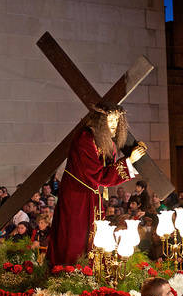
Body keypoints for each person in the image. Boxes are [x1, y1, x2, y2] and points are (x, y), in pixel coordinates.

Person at [47, 102, 146, 266]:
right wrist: (130, 161)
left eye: (117, 120)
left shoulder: (104, 141)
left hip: (91, 196)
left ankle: (91, 271)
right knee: (75, 239)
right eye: (110, 119)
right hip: (77, 198)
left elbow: (108, 167)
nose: (114, 124)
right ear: (100, 120)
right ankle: (70, 274)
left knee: (94, 238)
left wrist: (134, 153)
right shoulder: (85, 140)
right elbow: (101, 175)